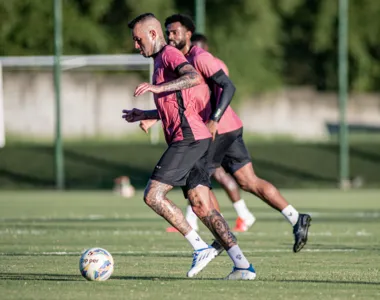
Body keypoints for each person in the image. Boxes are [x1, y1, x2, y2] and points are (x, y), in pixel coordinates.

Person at [142, 14, 311, 253]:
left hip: (216, 130)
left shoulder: (199, 58)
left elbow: (228, 86)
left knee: (198, 184)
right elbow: (185, 103)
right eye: (167, 32)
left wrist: (214, 120)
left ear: (189, 33)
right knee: (248, 181)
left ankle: (222, 238)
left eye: (174, 32)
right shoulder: (179, 60)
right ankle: (296, 217)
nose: (170, 36)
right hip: (226, 127)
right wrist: (154, 116)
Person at [123, 13, 256, 280]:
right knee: (201, 205)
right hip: (195, 138)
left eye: (138, 40)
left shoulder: (169, 54)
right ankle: (242, 265)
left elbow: (192, 76)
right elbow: (177, 105)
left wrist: (156, 89)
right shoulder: (159, 61)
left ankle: (199, 247)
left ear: (152, 34)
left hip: (189, 138)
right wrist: (148, 115)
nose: (137, 46)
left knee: (153, 195)